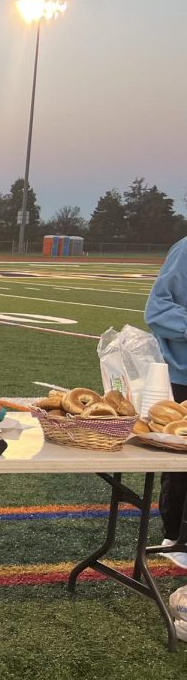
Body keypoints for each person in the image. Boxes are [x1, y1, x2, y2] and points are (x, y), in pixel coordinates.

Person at [143, 239, 187, 568]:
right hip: (183, 376)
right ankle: (175, 537)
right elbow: (157, 309)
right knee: (181, 465)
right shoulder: (185, 250)